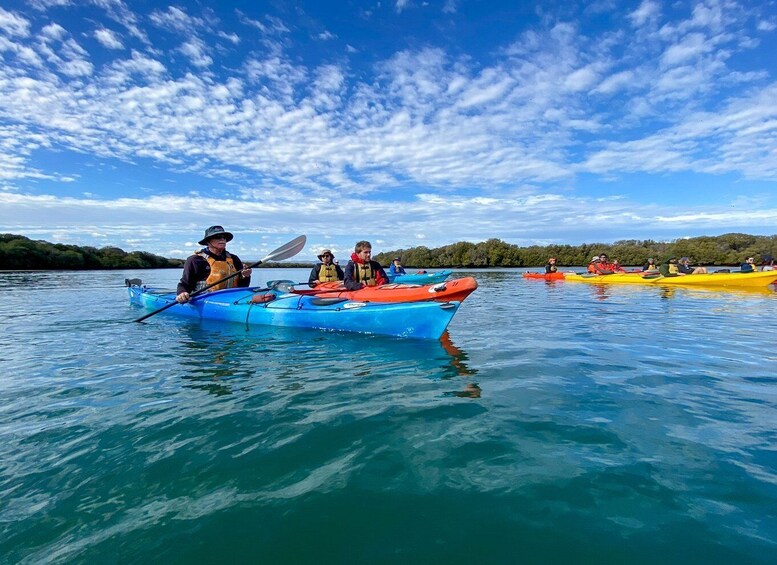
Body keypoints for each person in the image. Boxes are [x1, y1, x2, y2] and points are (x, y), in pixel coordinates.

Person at [176, 226, 252, 303]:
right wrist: (182, 293)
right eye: (218, 237)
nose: (222, 239)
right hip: (204, 301)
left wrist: (246, 276)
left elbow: (243, 286)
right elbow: (184, 284)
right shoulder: (195, 260)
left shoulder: (234, 259)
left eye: (224, 237)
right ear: (208, 241)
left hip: (232, 300)